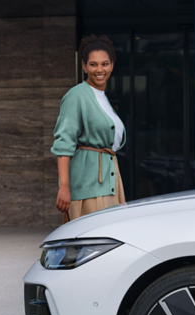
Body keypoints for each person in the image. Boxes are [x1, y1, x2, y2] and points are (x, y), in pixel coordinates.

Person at [52, 34, 126, 221]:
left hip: (111, 182)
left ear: (112, 65)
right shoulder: (76, 96)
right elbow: (64, 144)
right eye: (93, 64)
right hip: (88, 186)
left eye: (105, 64)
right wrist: (64, 186)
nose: (99, 69)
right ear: (84, 66)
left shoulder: (104, 99)